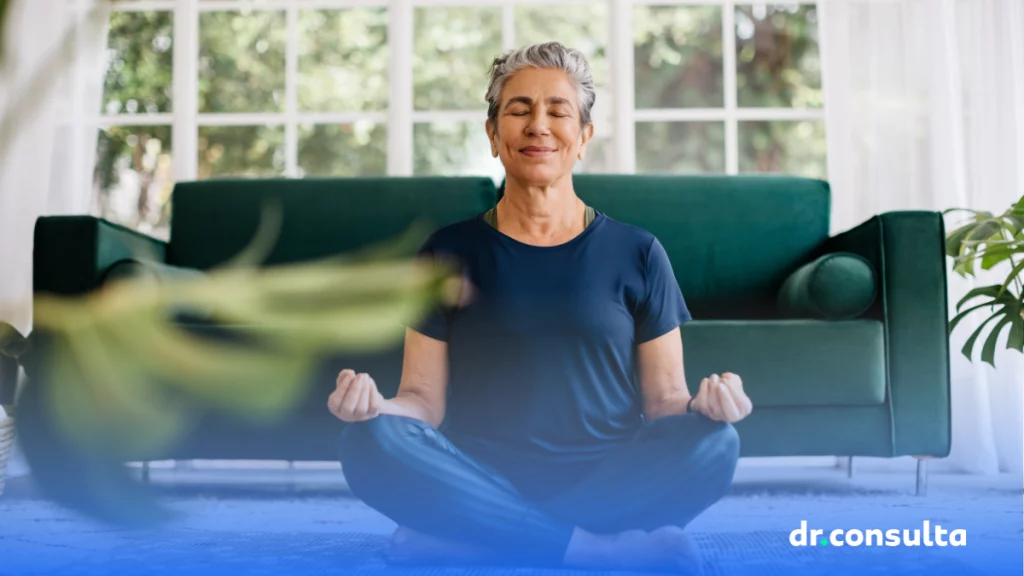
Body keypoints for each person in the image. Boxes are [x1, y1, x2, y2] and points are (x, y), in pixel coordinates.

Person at [327, 41, 753, 573]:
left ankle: (486, 538)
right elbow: (421, 401)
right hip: (477, 475)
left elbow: (666, 400)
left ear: (583, 137)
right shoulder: (447, 251)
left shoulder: (638, 252)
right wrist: (375, 409)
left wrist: (708, 405)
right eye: (519, 110)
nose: (539, 126)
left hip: (606, 478)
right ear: (492, 135)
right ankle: (586, 546)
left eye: (558, 111)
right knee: (369, 442)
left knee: (716, 444)